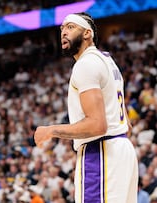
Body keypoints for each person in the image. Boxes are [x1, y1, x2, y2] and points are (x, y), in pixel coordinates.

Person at [33, 12, 138, 202]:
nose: (64, 32)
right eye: (62, 28)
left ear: (87, 33)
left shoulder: (86, 64)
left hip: (100, 152)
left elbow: (97, 125)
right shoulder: (107, 61)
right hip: (122, 150)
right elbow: (126, 124)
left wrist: (51, 131)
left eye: (71, 27)